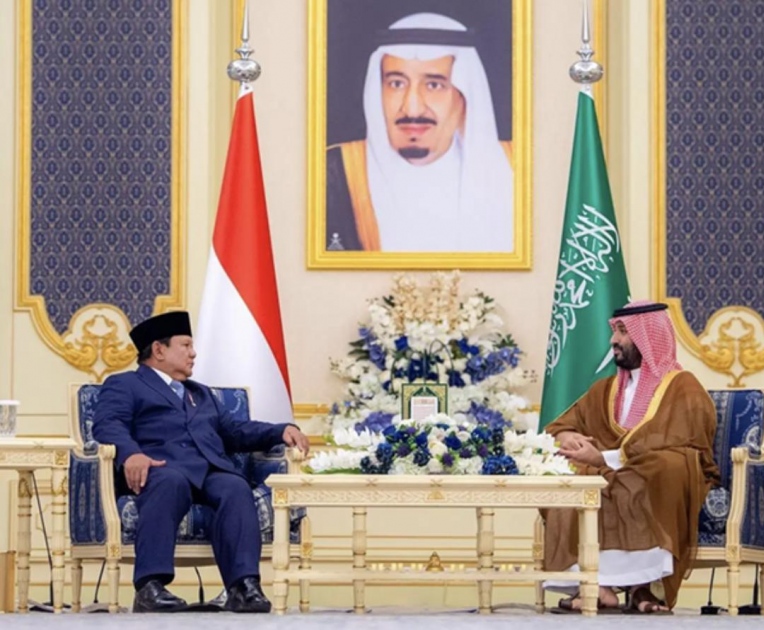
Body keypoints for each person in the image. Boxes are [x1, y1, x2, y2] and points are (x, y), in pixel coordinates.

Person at [92, 311, 309, 613]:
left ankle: (243, 587)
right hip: (160, 468)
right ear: (159, 350)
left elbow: (234, 432)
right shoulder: (125, 384)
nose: (193, 353)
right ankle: (150, 587)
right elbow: (108, 423)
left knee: (234, 487)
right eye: (185, 345)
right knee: (170, 482)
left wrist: (279, 430)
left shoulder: (200, 393)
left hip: (209, 470)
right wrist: (131, 453)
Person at [541, 300, 718, 614]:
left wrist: (605, 459)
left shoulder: (683, 386)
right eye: (615, 331)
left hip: (653, 474)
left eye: (623, 332)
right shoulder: (605, 389)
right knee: (570, 475)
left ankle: (644, 587)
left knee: (662, 467)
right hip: (610, 471)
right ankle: (597, 586)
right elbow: (561, 426)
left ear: (649, 336)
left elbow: (685, 439)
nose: (613, 340)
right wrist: (570, 438)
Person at [326, 11, 513, 253]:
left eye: (434, 85)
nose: (412, 107)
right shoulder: (332, 175)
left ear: (464, 95)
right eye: (396, 84)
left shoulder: (516, 170)